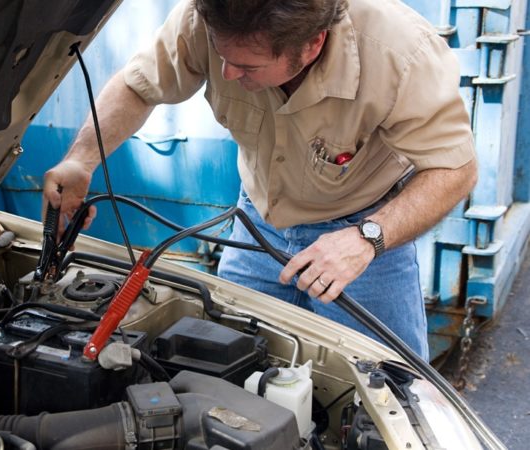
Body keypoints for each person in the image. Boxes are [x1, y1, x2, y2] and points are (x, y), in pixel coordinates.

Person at [42, 0, 477, 360]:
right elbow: (139, 86)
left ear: (311, 45)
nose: (226, 73)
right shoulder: (204, 16)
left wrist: (367, 239)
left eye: (246, 66)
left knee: (393, 389)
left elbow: (455, 168)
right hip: (257, 226)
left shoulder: (398, 51)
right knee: (221, 367)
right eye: (222, 56)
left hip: (364, 237)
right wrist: (81, 160)